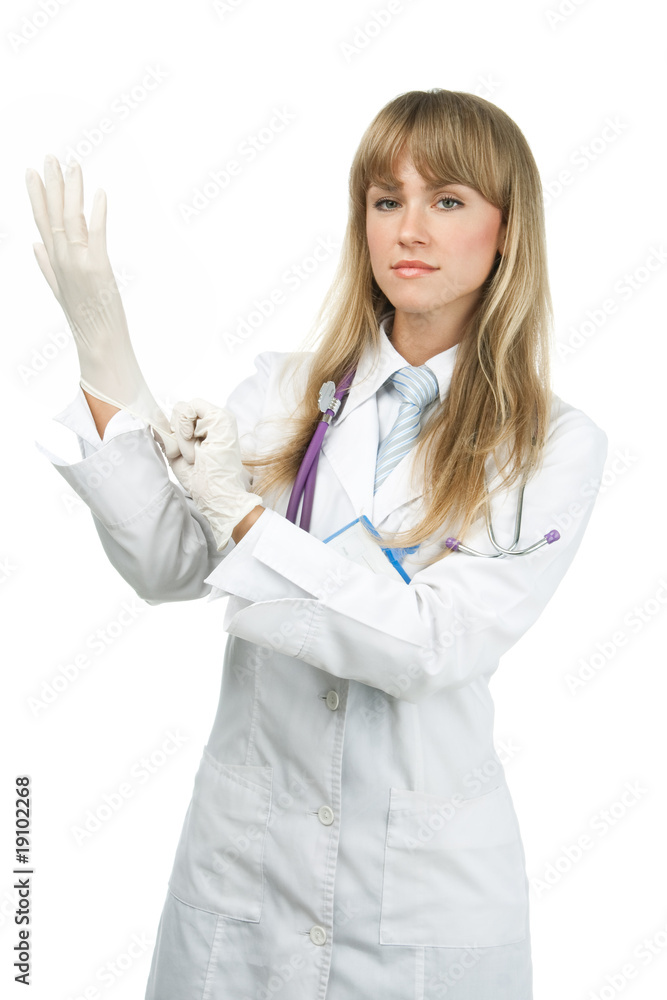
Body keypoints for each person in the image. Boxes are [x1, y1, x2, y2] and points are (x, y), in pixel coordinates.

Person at [26, 88, 607, 1000]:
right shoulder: (284, 392)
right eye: (385, 199)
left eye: (446, 200)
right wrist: (104, 349)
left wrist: (248, 522)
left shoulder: (550, 445)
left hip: (421, 901)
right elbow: (169, 567)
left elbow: (430, 645)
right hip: (244, 877)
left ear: (506, 230)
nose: (408, 228)